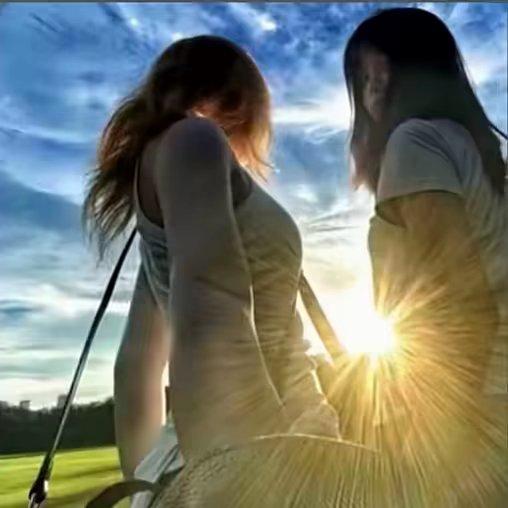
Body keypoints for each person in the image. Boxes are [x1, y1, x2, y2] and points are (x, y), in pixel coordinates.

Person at [82, 34, 339, 492]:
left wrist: (147, 482)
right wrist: (252, 482)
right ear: (241, 99)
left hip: (244, 446)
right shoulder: (195, 139)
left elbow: (137, 363)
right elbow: (213, 308)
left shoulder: (174, 171)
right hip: (264, 449)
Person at [341, 7, 508, 506]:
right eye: (363, 78)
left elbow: (459, 294)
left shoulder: (413, 141)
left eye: (379, 73)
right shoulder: (482, 156)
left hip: (477, 406)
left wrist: (438, 431)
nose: (371, 89)